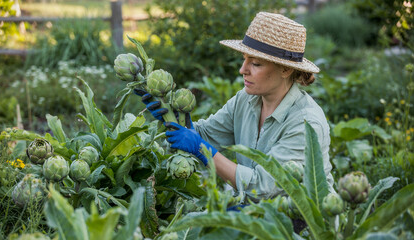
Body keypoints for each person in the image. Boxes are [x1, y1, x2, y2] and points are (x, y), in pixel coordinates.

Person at [136, 12, 335, 203]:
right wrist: (170, 117)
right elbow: (207, 135)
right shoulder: (246, 99)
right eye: (244, 59)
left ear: (285, 69)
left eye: (255, 63)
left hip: (302, 223)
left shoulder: (306, 122)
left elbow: (263, 187)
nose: (243, 70)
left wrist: (201, 148)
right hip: (254, 210)